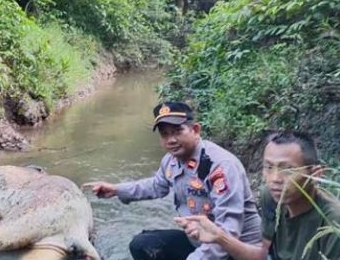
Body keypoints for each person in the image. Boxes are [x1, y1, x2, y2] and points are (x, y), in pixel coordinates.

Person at [85, 101, 261, 259]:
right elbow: (156, 186)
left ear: (195, 130)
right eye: (165, 134)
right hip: (199, 242)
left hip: (235, 249)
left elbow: (227, 231)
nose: (171, 140)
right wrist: (117, 189)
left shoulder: (220, 166)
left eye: (177, 131)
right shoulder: (171, 161)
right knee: (143, 245)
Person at [175, 131, 340, 260]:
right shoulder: (272, 197)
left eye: (288, 169)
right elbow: (262, 255)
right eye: (269, 167)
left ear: (315, 174)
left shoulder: (339, 223)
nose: (275, 178)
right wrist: (219, 237)